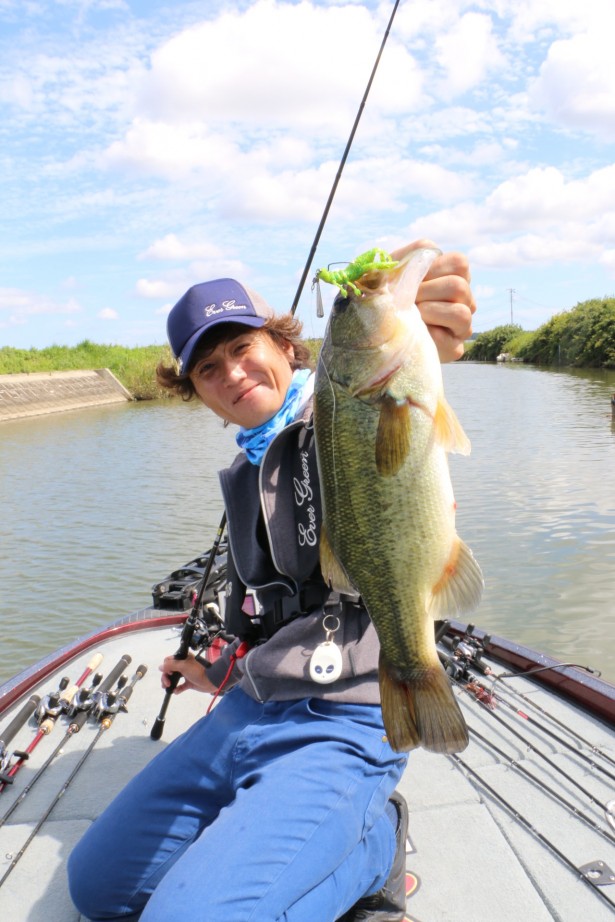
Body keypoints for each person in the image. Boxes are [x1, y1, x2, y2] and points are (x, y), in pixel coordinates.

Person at [68, 239, 476, 921]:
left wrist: (428, 318)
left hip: (345, 711)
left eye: (242, 347)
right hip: (252, 705)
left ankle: (374, 843)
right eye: (207, 367)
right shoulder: (243, 474)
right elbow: (270, 602)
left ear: (288, 346)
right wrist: (217, 664)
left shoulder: (339, 407)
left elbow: (417, 358)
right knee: (99, 887)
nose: (231, 372)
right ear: (197, 393)